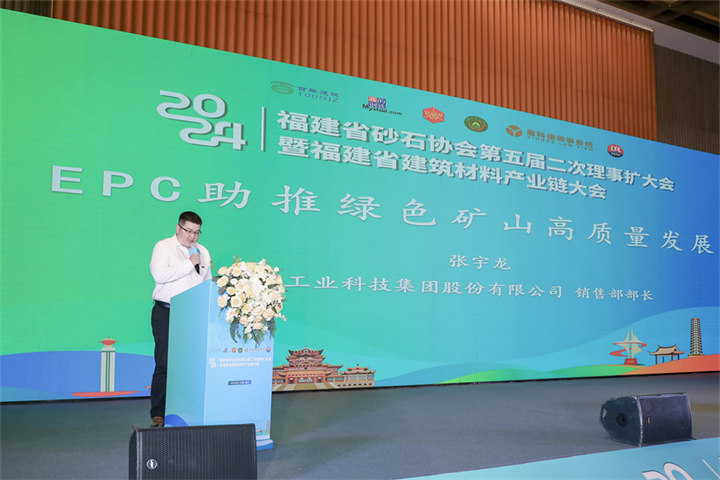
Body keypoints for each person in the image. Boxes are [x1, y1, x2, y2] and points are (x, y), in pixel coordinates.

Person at [148, 211, 212, 427]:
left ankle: (187, 410)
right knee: (165, 364)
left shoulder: (203, 251)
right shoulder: (163, 247)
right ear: (178, 228)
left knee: (191, 364)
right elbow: (159, 275)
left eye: (197, 232)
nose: (192, 236)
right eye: (188, 231)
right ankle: (158, 413)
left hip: (193, 315)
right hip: (167, 312)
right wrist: (188, 263)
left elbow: (206, 282)